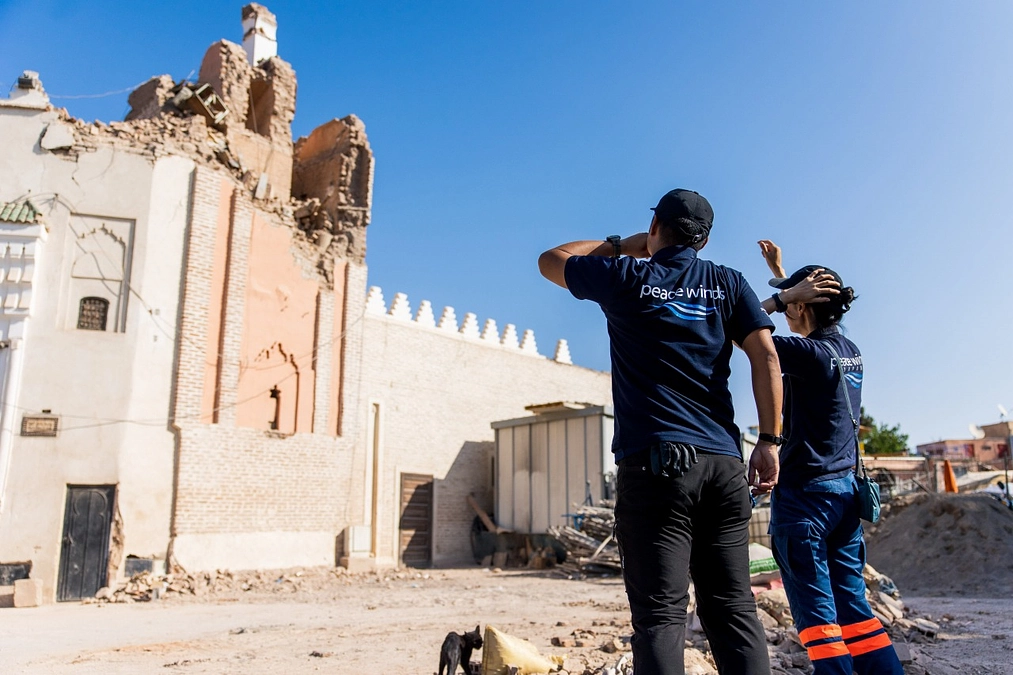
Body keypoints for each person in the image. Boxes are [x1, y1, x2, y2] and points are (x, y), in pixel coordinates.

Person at [538, 189, 782, 675]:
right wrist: (770, 443)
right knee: (733, 608)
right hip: (723, 465)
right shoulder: (728, 283)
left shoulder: (628, 275)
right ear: (705, 240)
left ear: (654, 229)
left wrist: (620, 244)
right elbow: (767, 357)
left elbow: (552, 260)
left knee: (660, 617)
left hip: (657, 467)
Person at [757, 239, 905, 675]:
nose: (787, 312)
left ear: (803, 307)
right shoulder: (850, 352)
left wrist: (779, 295)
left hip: (806, 500)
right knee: (855, 611)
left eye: (793, 306)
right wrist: (782, 275)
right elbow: (803, 315)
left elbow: (739, 327)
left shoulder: (807, 354)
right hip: (843, 498)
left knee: (819, 622)